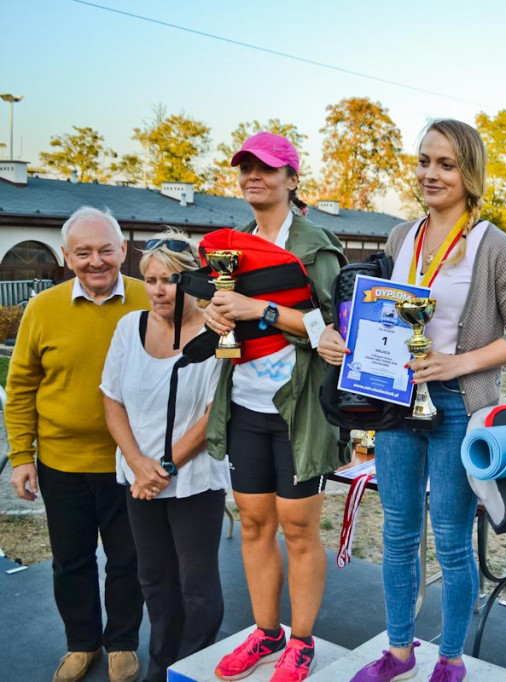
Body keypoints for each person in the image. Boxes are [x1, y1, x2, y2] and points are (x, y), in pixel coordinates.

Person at [319, 119, 506, 682]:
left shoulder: (496, 246)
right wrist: (348, 340)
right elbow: (382, 315)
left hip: (457, 406)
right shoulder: (400, 238)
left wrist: (457, 363)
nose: (430, 174)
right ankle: (398, 650)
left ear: (469, 172)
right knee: (396, 531)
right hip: (395, 403)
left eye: (445, 164)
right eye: (424, 161)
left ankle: (451, 658)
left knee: (452, 541)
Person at [202, 132, 346, 682]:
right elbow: (222, 309)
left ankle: (302, 643)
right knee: (256, 523)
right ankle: (266, 634)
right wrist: (218, 315)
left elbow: (333, 330)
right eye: (244, 168)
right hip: (242, 405)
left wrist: (258, 309)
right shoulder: (229, 242)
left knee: (298, 529)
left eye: (264, 167)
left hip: (299, 411)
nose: (251, 177)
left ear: (291, 177)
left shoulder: (316, 244)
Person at [5, 206, 148, 682]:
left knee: (128, 561)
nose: (96, 260)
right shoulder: (43, 309)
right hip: (62, 463)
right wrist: (22, 456)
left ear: (123, 251)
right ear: (66, 257)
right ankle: (82, 643)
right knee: (72, 562)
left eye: (106, 249)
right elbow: (21, 385)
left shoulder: (152, 302)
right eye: (83, 252)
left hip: (129, 464)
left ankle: (122, 642)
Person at [100, 230, 230, 682]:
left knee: (197, 586)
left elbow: (214, 414)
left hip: (193, 480)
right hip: (139, 479)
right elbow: (111, 399)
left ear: (194, 281)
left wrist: (165, 467)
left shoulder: (218, 334)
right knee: (154, 579)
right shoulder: (127, 328)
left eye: (170, 279)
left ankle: (192, 669)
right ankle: (161, 666)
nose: (157, 289)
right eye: (150, 279)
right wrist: (138, 463)